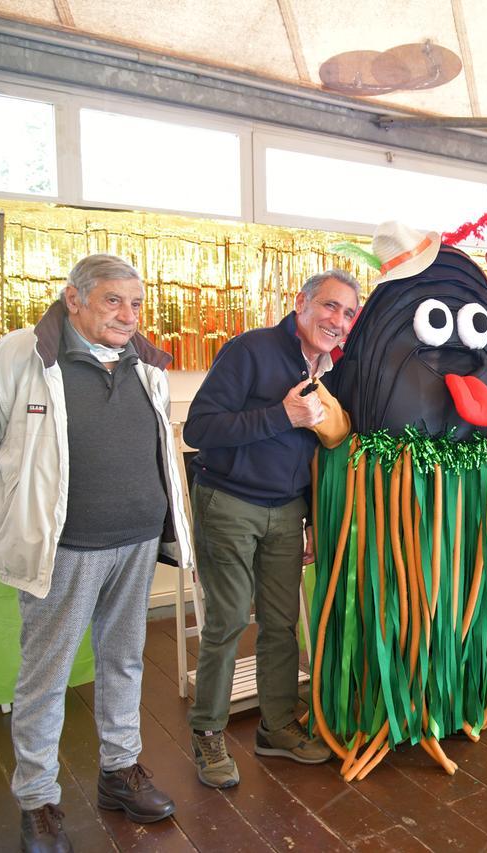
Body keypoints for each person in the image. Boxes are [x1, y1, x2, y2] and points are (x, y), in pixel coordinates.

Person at [0, 254, 192, 852]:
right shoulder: (17, 358)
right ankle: (37, 801)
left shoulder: (147, 364)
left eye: (136, 303)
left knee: (125, 660)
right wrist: (12, 520)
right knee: (47, 674)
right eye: (113, 300)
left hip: (137, 541)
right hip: (65, 550)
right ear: (74, 299)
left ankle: (120, 771)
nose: (128, 314)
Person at [184, 269, 360, 788]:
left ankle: (277, 726)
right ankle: (207, 733)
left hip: (286, 512)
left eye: (348, 314)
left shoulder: (329, 369)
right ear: (301, 303)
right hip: (230, 502)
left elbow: (310, 450)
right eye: (330, 307)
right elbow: (201, 429)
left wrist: (306, 517)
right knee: (230, 620)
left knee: (283, 623)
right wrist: (281, 414)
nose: (338, 320)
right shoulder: (251, 349)